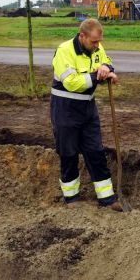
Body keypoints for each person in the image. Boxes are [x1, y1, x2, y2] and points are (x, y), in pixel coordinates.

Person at [50, 18, 123, 211]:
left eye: (99, 41)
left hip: (88, 109)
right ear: (82, 36)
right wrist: (99, 76)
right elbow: (72, 83)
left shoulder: (96, 48)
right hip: (65, 109)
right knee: (68, 153)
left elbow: (106, 61)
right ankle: (71, 198)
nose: (97, 46)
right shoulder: (64, 51)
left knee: (95, 151)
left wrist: (107, 68)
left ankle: (107, 198)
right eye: (94, 42)